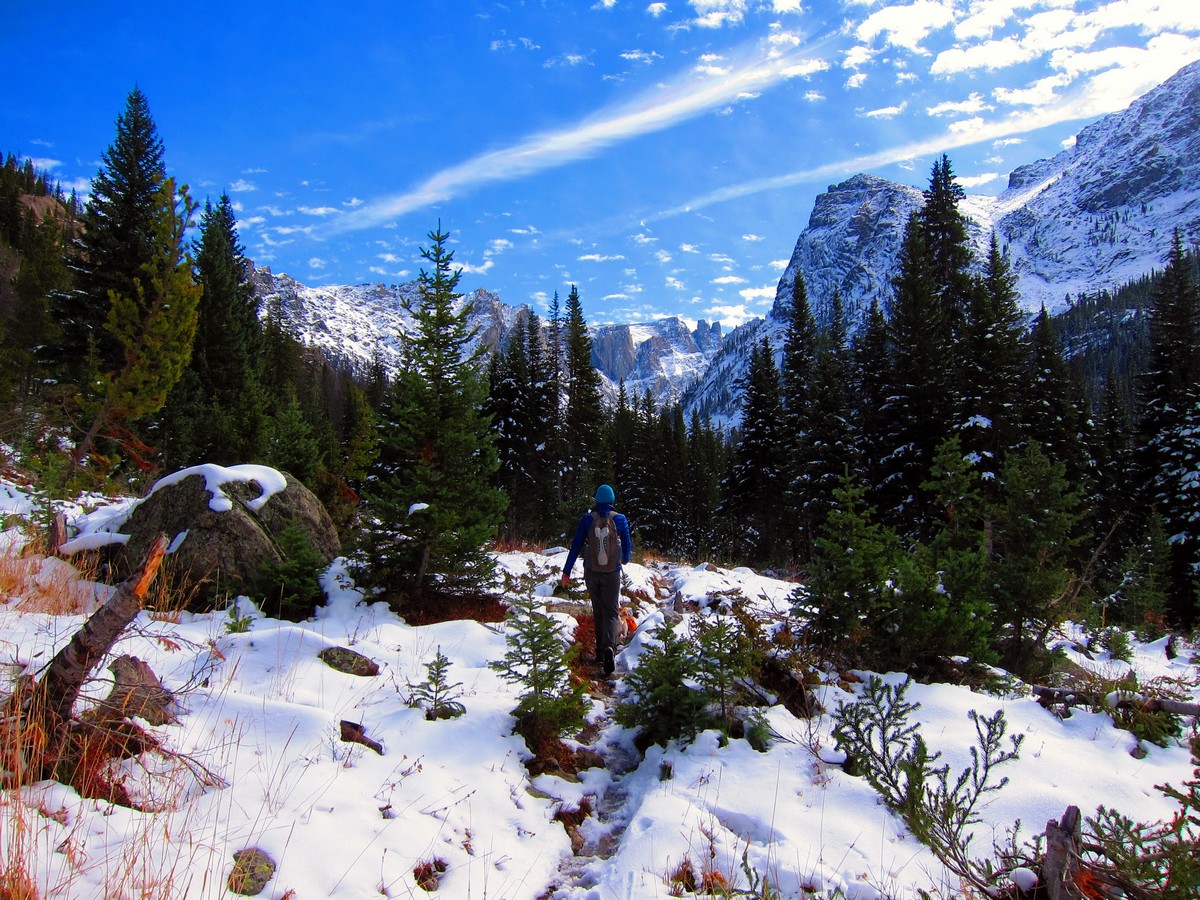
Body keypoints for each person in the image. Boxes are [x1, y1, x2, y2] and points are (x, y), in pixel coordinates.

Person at [560, 484, 632, 676]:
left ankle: (601, 653)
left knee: (598, 610)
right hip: (612, 572)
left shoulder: (587, 519)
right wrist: (623, 559)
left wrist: (566, 571)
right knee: (610, 612)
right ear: (612, 500)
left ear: (596, 499)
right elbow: (627, 548)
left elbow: (576, 545)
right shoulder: (620, 519)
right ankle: (609, 647)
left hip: (591, 571)